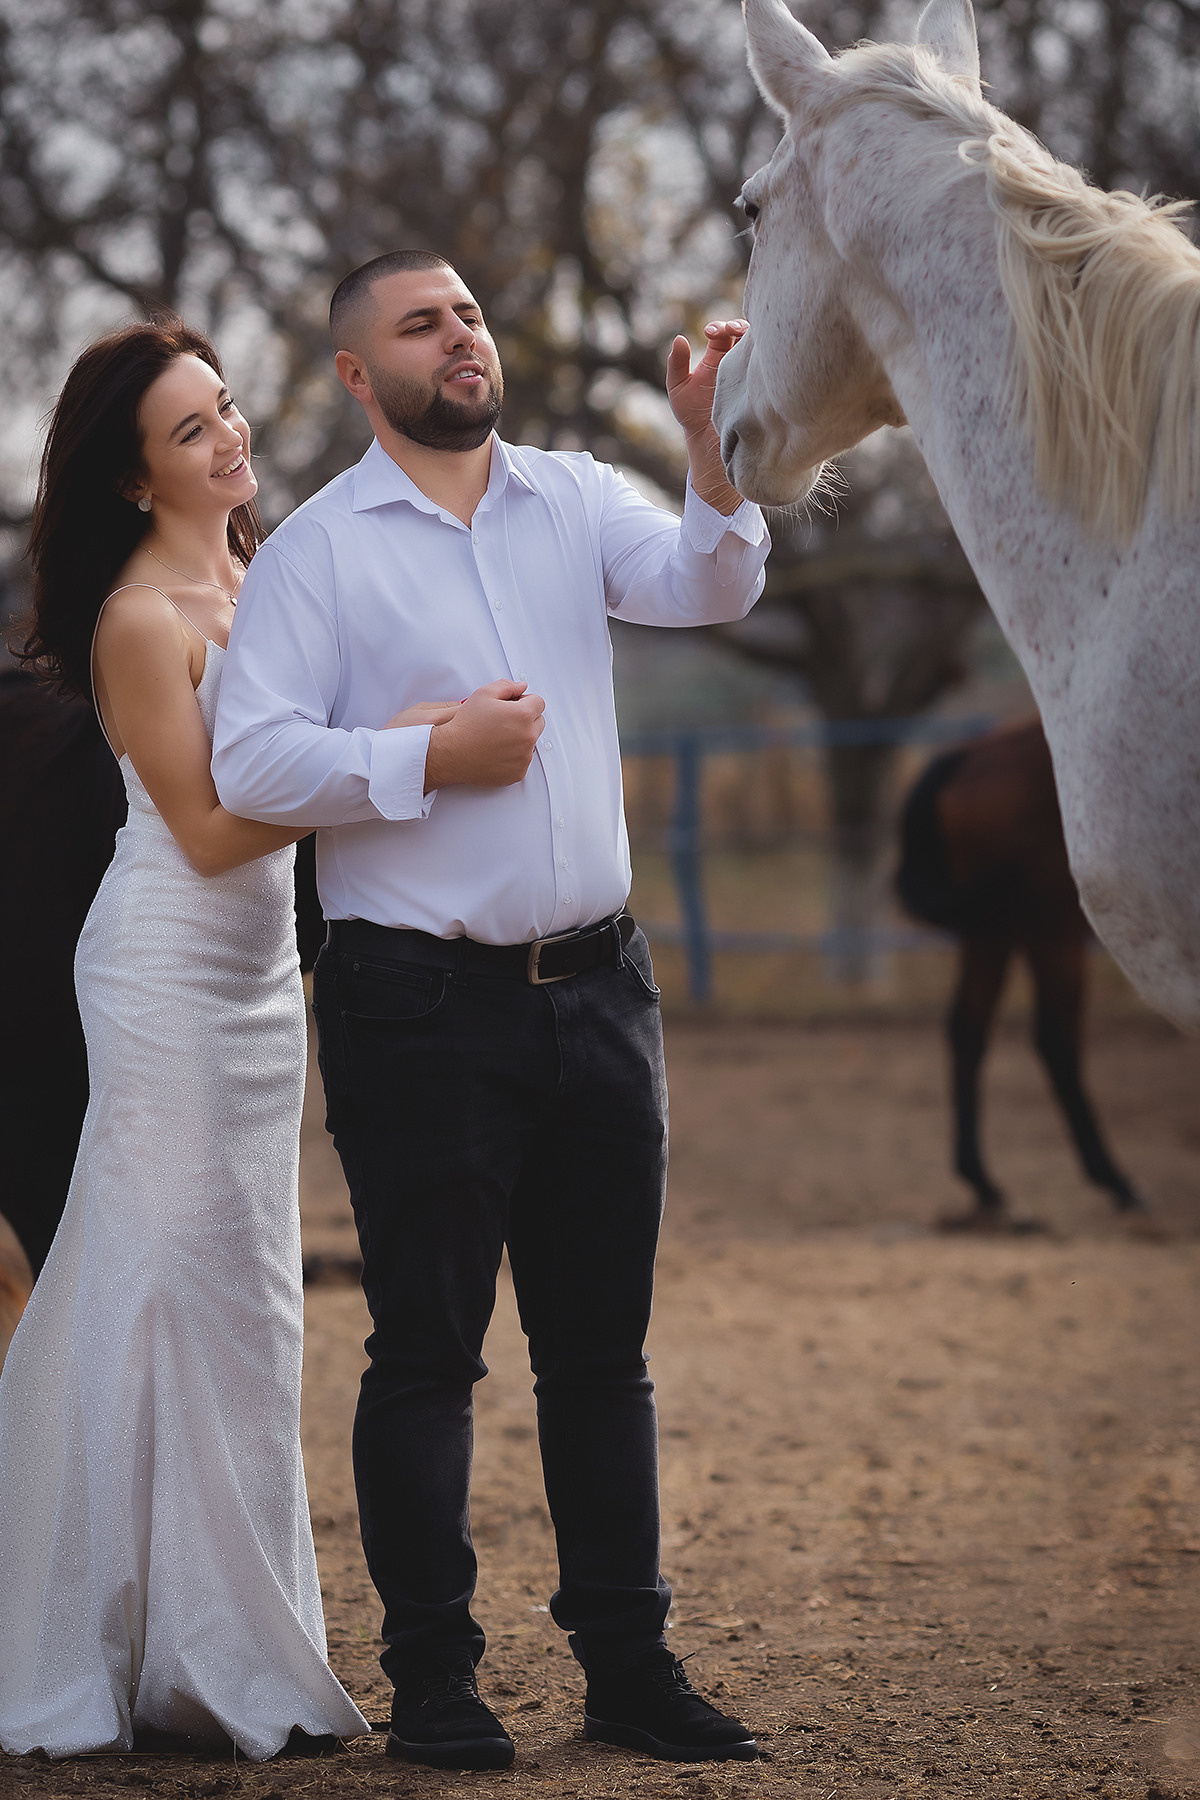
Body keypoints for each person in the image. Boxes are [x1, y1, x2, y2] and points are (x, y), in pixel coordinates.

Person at [211, 250, 770, 1770]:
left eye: (465, 314)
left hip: (602, 990)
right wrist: (424, 760)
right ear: (357, 374)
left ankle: (629, 1670)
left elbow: (713, 583)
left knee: (601, 1356)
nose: (459, 336)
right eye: (421, 324)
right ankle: (434, 1682)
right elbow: (250, 759)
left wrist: (708, 443)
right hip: (414, 1005)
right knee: (426, 1354)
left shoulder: (574, 496)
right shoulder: (316, 553)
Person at [0, 320, 377, 1759]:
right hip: (164, 971)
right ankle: (99, 1641)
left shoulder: (265, 580)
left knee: (248, 1307)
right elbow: (212, 834)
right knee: (160, 1288)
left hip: (264, 989)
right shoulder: (139, 622)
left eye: (223, 409)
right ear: (132, 478)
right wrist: (396, 767)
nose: (230, 438)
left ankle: (219, 1642)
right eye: (190, 430)